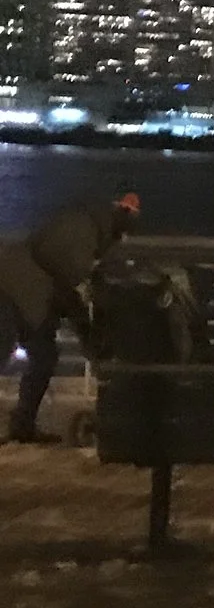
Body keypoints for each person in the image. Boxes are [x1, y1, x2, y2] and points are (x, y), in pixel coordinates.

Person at [0, 189, 141, 444]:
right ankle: (22, 424)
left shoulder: (87, 224)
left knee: (43, 356)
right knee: (32, 354)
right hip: (19, 288)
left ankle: (23, 424)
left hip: (25, 287)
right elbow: (68, 287)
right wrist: (89, 335)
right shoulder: (85, 234)